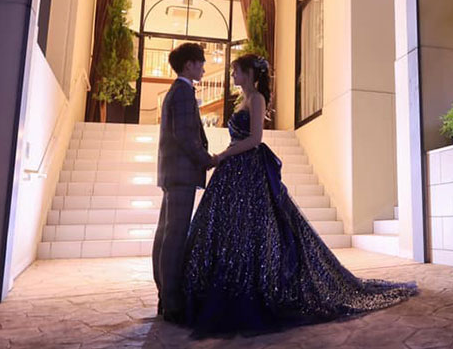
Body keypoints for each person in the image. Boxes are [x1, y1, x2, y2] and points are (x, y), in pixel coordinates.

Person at [179, 54, 417, 335]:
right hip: (234, 172)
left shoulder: (257, 99)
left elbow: (255, 139)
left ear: (249, 73)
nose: (232, 76)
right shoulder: (242, 100)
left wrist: (223, 155)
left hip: (248, 170)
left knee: (255, 230)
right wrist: (226, 157)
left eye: (235, 71)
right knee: (232, 232)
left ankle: (252, 288)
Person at [154, 43, 218, 323]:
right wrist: (207, 160)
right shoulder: (182, 92)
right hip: (181, 174)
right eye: (201, 62)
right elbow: (185, 136)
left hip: (173, 173)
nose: (204, 67)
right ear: (189, 64)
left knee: (166, 235)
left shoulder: (178, 91)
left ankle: (164, 297)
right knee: (175, 237)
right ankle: (172, 303)